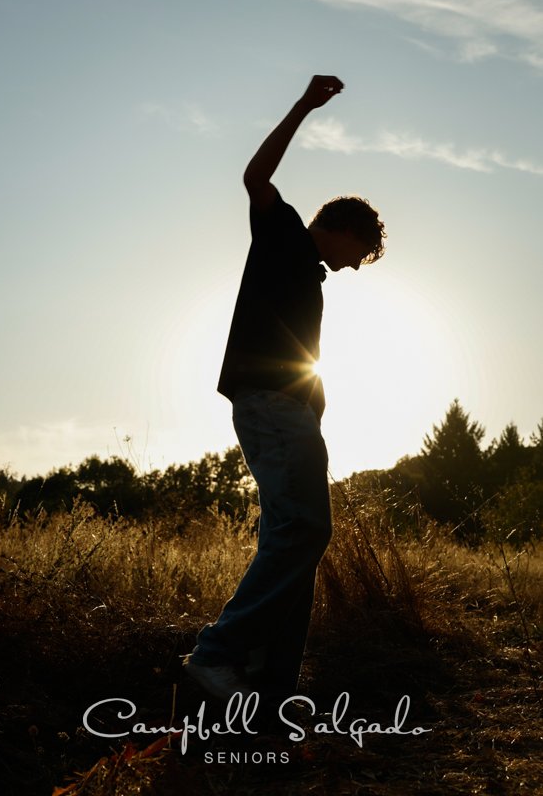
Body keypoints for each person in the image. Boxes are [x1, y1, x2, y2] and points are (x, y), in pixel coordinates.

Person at [183, 75, 386, 713]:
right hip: (274, 408)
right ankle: (217, 655)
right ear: (343, 229)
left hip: (290, 413)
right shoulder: (284, 234)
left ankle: (271, 698)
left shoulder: (305, 267)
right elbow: (255, 176)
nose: (356, 266)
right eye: (362, 251)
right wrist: (303, 106)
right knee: (303, 531)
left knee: (293, 546)